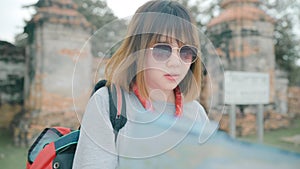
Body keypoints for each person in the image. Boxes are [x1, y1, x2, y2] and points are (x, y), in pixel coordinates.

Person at [72, 0, 209, 168]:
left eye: (187, 52)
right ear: (138, 50)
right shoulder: (107, 104)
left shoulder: (196, 113)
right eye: (162, 49)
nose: (176, 63)